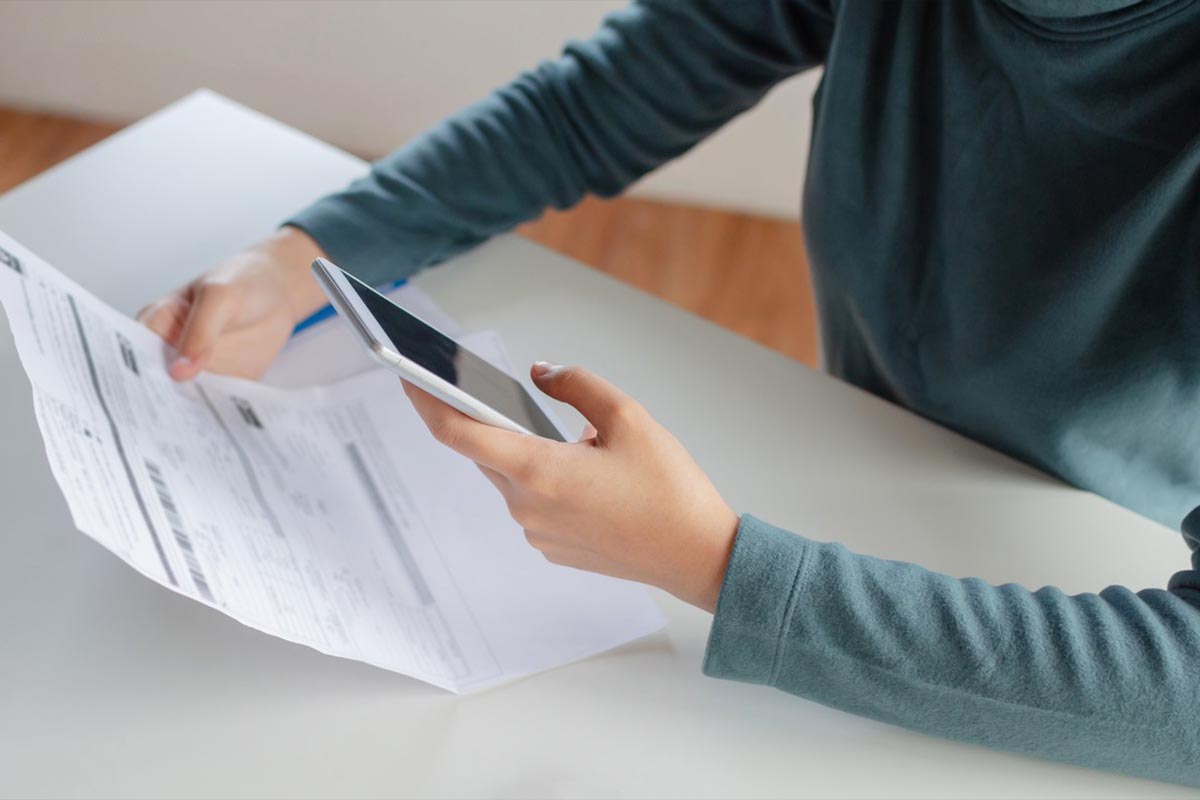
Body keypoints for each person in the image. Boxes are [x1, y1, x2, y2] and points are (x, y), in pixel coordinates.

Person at [137, 0, 1200, 786]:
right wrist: (310, 253)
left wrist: (713, 563)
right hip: (864, 461)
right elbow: (595, 105)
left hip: (1074, 582)